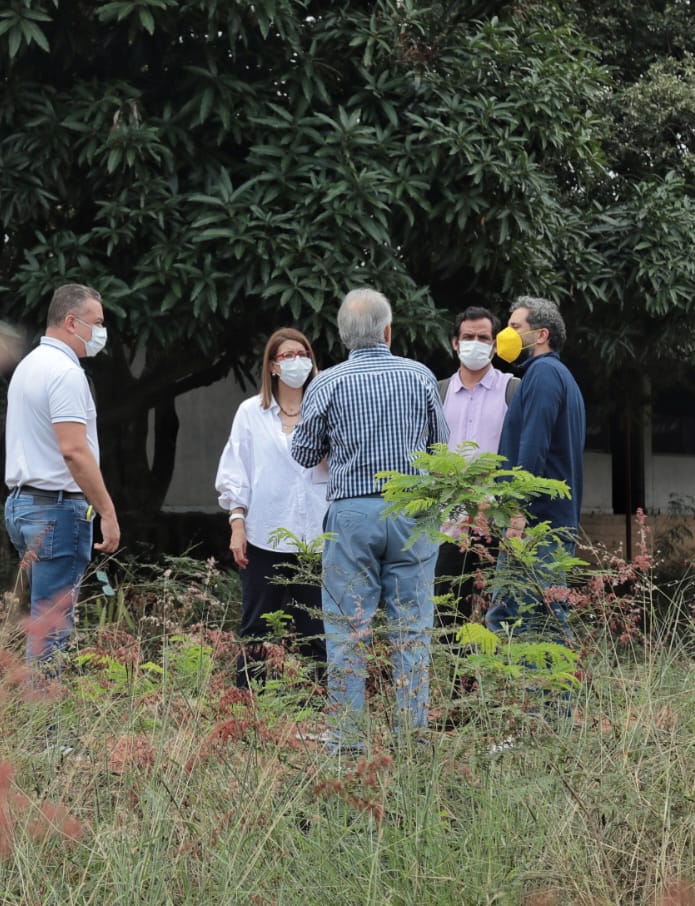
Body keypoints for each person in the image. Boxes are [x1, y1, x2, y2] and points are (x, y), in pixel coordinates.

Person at [290, 288, 449, 747]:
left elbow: (303, 452)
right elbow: (441, 444)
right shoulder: (419, 376)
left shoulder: (327, 383)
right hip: (412, 509)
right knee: (411, 627)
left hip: (352, 512)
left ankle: (348, 739)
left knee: (347, 629)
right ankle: (411, 734)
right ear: (388, 330)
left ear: (342, 337)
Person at [3, 283, 121, 666]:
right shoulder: (65, 373)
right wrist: (106, 510)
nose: (102, 331)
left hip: (24, 506)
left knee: (40, 620)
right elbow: (74, 449)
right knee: (52, 628)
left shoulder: (28, 366)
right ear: (72, 322)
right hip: (56, 510)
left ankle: (36, 717)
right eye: (97, 322)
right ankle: (45, 725)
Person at [214, 328, 329, 689]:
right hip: (265, 533)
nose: (297, 361)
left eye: (303, 353)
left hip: (317, 538)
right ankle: (248, 709)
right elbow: (236, 472)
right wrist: (237, 524)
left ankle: (319, 705)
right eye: (287, 355)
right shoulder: (251, 412)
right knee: (257, 626)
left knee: (317, 628)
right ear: (273, 367)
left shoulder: (326, 408)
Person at [488, 296, 586, 635]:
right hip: (548, 521)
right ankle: (545, 688)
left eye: (515, 327)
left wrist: (516, 511)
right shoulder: (559, 376)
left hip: (536, 523)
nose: (507, 334)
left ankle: (547, 689)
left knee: (517, 618)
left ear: (541, 334)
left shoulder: (544, 374)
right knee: (541, 617)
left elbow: (533, 446)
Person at [435, 306, 519, 636]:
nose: (475, 343)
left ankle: (488, 685)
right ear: (455, 343)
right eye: (468, 337)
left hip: (498, 520)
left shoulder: (514, 390)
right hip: (447, 521)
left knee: (493, 616)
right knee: (446, 614)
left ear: (495, 345)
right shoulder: (438, 392)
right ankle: (460, 688)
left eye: (483, 337)